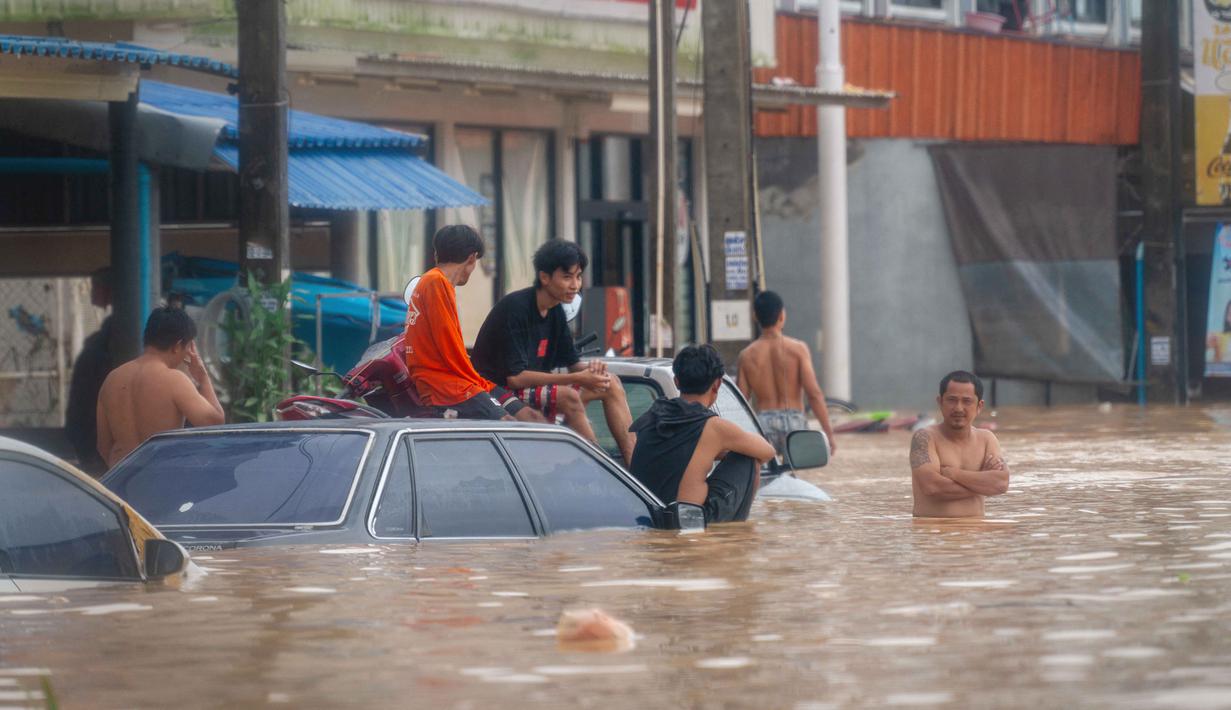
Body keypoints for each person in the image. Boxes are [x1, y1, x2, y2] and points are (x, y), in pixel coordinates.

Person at [472, 240, 636, 464]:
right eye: (567, 277)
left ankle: (634, 465)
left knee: (611, 383)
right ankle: (602, 467)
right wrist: (577, 378)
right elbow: (516, 378)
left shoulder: (556, 311)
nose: (575, 285)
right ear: (545, 277)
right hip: (499, 392)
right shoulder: (516, 308)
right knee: (567, 396)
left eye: (578, 277)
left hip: (531, 389)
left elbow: (574, 363)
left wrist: (594, 370)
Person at [403, 224, 541, 422]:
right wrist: (479, 384)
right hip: (448, 387)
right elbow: (449, 348)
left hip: (452, 382)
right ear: (471, 258)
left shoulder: (431, 281)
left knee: (525, 414)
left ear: (436, 254)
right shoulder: (436, 282)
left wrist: (484, 385)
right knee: (510, 424)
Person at [628, 345, 776, 525]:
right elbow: (767, 452)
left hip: (646, 519)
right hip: (690, 522)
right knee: (749, 457)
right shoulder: (714, 428)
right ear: (717, 384)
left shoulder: (653, 415)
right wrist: (724, 449)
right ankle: (737, 531)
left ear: (676, 382)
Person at [96, 307, 225, 469]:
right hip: (160, 476)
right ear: (178, 346)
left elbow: (103, 446)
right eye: (188, 348)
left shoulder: (111, 379)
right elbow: (215, 422)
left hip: (120, 479)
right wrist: (203, 378)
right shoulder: (175, 380)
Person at [736, 290, 837, 458]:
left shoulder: (746, 355)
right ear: (782, 316)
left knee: (768, 478)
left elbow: (740, 402)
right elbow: (814, 395)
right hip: (795, 424)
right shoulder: (798, 350)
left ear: (755, 316)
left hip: (763, 425)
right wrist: (829, 434)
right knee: (793, 475)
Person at [909, 371, 1010, 518]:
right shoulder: (924, 438)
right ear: (940, 402)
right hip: (933, 535)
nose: (958, 408)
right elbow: (932, 487)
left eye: (967, 401)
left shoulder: (987, 439)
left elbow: (1001, 483)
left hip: (977, 535)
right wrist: (983, 483)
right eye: (952, 400)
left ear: (979, 406)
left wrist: (954, 474)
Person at [65, 267, 114, 476]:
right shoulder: (104, 339)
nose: (92, 292)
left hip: (92, 436)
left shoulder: (105, 341)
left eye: (96, 287)